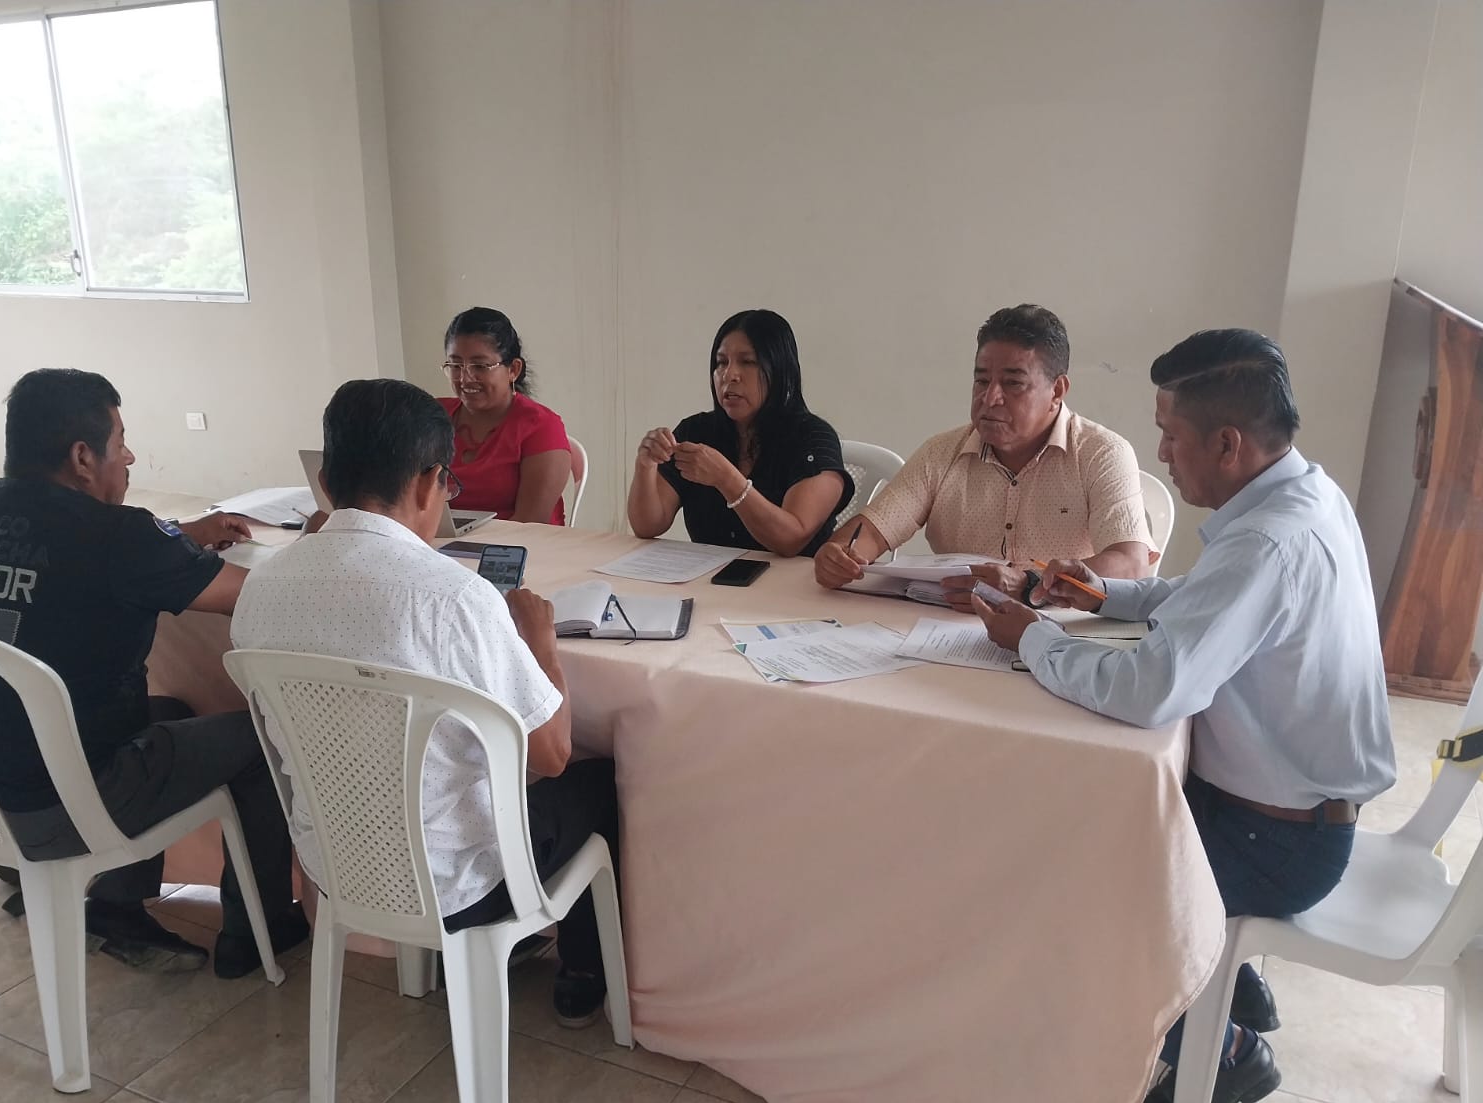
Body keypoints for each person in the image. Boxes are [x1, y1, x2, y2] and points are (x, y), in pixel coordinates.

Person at [969, 329, 1396, 1103]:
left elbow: (1150, 691)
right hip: (1289, 814)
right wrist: (1105, 596)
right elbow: (1205, 600)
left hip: (1279, 846)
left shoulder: (1268, 541)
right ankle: (1224, 983)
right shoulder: (1301, 495)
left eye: (1170, 434)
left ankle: (1222, 1045)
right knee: (1094, 807)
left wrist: (1033, 638)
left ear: (1227, 443)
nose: (1161, 452)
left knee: (1066, 874)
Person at [231, 378, 619, 1027]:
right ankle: (581, 971)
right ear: (429, 483)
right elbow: (551, 754)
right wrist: (540, 645)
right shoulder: (454, 598)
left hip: (335, 868)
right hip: (459, 885)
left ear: (325, 481)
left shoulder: (261, 587)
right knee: (596, 779)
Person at [0, 369, 304, 977]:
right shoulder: (118, 539)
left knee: (170, 712)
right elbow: (259, 595)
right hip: (58, 804)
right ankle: (258, 929)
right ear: (83, 457)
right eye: (121, 440)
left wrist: (180, 538)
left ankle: (116, 906)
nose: (129, 457)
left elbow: (69, 556)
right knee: (259, 738)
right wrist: (320, 546)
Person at [814, 303, 1154, 606]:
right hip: (949, 630)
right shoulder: (941, 453)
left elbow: (1130, 563)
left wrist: (1030, 585)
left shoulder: (1101, 454)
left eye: (1013, 383)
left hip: (1059, 635)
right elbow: (873, 532)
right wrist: (839, 557)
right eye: (981, 381)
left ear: (1057, 390)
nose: (990, 398)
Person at [628, 309, 853, 557]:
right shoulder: (696, 431)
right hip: (711, 576)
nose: (729, 375)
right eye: (721, 362)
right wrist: (645, 465)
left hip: (792, 580)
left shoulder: (813, 438)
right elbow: (647, 526)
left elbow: (791, 539)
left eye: (748, 362)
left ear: (780, 370)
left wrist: (727, 480)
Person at [438, 307, 571, 524]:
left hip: (520, 543)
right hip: (442, 543)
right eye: (455, 365)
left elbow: (529, 523)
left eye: (480, 366)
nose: (465, 378)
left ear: (513, 370)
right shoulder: (434, 417)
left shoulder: (541, 427)